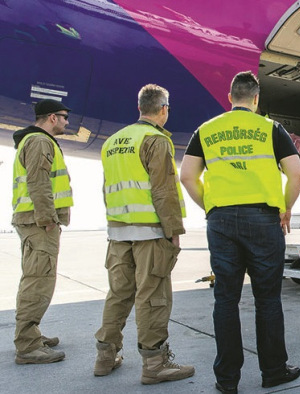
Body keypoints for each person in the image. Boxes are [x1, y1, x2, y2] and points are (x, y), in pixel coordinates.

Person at [180, 71, 300, 393]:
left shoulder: (206, 131)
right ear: (256, 99)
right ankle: (274, 371)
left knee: (225, 300)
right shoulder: (271, 129)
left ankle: (227, 380)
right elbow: (296, 175)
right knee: (267, 300)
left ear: (230, 97)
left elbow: (187, 176)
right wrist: (285, 208)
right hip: (263, 220)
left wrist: (210, 206)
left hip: (221, 222)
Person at [93, 84, 195, 384]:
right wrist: (174, 231)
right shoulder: (156, 140)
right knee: (153, 297)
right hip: (150, 233)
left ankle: (105, 356)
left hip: (118, 232)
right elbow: (164, 192)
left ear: (140, 108)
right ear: (163, 109)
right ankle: (154, 363)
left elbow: (107, 187)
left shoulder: (112, 142)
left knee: (118, 294)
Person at [11, 99, 73, 364]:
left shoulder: (35, 141)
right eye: (63, 117)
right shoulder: (39, 142)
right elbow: (39, 182)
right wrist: (48, 219)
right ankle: (27, 346)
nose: (67, 122)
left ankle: (31, 333)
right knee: (38, 281)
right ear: (51, 118)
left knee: (36, 278)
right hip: (39, 223)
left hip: (34, 221)